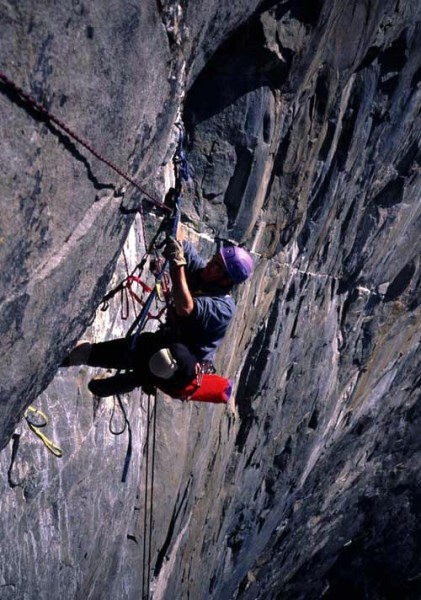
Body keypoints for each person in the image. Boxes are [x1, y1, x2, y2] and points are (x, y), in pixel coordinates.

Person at [63, 236, 254, 398]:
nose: (211, 264)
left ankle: (138, 378)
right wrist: (174, 218)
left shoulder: (223, 308)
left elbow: (185, 308)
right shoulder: (202, 273)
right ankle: (60, 359)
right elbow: (181, 243)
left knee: (165, 359)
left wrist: (177, 265)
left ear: (227, 280)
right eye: (214, 259)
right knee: (90, 353)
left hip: (182, 367)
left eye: (217, 267)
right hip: (159, 343)